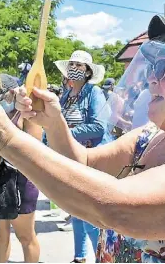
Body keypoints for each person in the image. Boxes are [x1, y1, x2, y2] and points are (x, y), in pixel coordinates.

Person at [0, 16, 165, 263]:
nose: (151, 78)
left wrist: (7, 141)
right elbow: (85, 162)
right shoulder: (149, 137)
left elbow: (118, 209)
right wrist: (53, 123)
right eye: (152, 66)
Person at [54, 50, 107, 262]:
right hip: (72, 160)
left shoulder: (95, 93)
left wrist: (64, 133)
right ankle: (80, 256)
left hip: (91, 159)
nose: (74, 69)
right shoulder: (66, 96)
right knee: (75, 209)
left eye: (80, 66)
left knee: (90, 216)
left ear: (88, 72)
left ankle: (100, 257)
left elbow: (98, 127)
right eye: (72, 65)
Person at [0, 74, 41, 263]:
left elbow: (35, 147)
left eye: (3, 94)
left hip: (22, 178)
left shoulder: (26, 114)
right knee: (0, 234)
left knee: (25, 236)